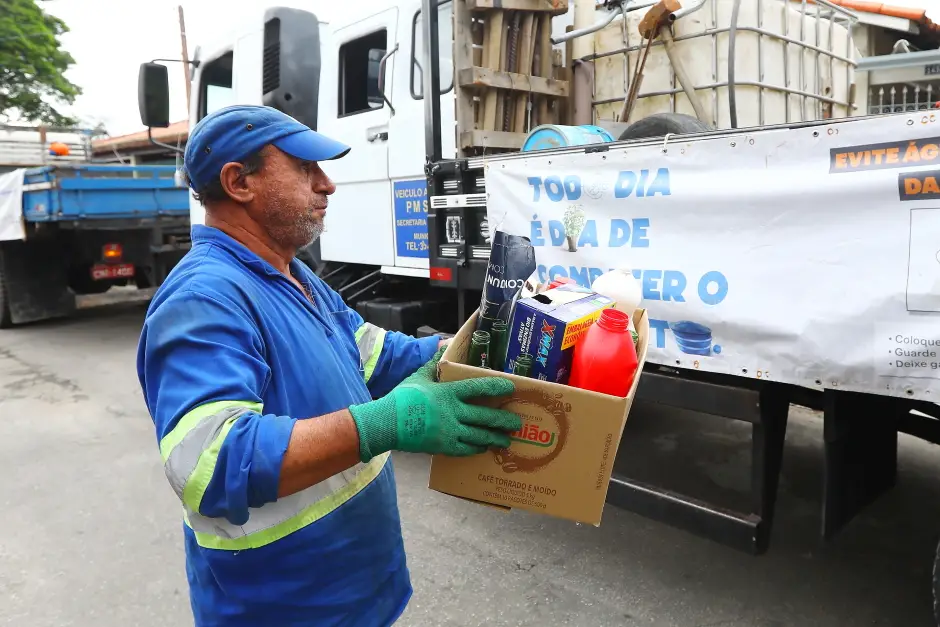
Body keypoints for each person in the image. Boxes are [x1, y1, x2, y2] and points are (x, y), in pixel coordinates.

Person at [136, 104, 521, 627]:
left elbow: (375, 355)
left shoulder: (292, 274)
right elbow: (210, 465)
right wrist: (389, 422)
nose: (327, 184)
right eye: (304, 168)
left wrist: (466, 348)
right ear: (239, 182)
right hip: (283, 609)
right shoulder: (203, 298)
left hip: (356, 589)